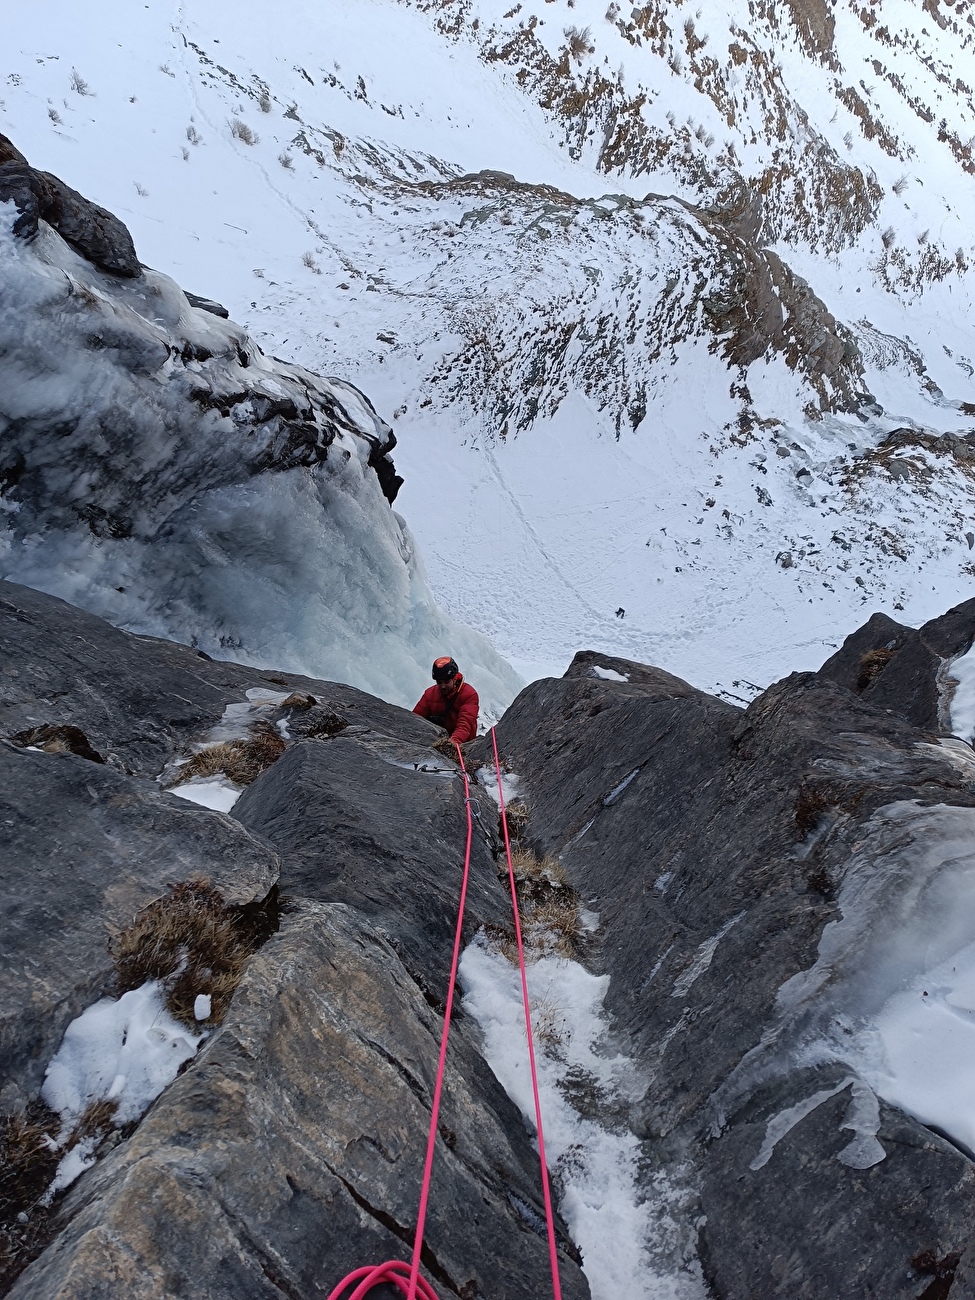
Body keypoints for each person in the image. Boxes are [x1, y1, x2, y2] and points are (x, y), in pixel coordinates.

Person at [413, 656, 479, 744]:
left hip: (464, 745)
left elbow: (464, 726)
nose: (443, 686)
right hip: (434, 742)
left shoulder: (469, 695)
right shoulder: (429, 694)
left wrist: (452, 744)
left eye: (446, 682)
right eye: (439, 682)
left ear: (455, 679)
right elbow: (414, 718)